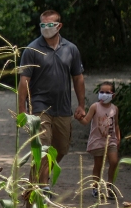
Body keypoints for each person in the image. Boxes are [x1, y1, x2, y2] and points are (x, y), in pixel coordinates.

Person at [18, 10, 86, 184]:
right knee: (42, 147)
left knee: (61, 148)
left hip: (63, 108)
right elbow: (24, 80)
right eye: (42, 25)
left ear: (59, 26)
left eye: (50, 25)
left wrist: (81, 105)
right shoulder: (32, 49)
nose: (46, 28)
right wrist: (22, 111)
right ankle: (42, 188)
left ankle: (36, 182)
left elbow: (78, 78)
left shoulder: (71, 49)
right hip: (39, 107)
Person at [78, 81, 120, 198]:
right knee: (99, 165)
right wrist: (79, 119)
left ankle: (109, 186)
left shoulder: (114, 109)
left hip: (111, 140)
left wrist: (118, 138)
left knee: (114, 162)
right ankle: (95, 188)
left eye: (107, 92)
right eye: (101, 92)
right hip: (97, 141)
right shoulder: (95, 107)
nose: (104, 94)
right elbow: (86, 121)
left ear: (113, 95)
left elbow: (116, 124)